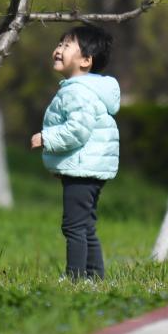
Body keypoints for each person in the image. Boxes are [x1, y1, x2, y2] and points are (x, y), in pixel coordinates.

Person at [31, 25, 120, 280]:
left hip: (84, 168)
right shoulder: (87, 89)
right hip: (88, 167)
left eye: (67, 45)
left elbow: (77, 130)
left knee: (74, 226)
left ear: (85, 60)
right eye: (59, 44)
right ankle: (94, 277)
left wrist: (46, 138)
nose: (58, 49)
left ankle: (75, 278)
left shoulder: (77, 91)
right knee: (85, 226)